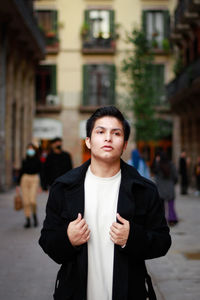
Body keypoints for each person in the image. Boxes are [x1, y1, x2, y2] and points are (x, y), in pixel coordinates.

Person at [39, 106, 171, 300]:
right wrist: (68, 238)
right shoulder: (64, 187)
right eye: (100, 132)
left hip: (128, 292)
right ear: (89, 142)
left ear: (124, 144)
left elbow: (162, 242)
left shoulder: (144, 190)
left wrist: (132, 238)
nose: (108, 138)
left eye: (116, 133)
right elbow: (47, 241)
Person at [17, 143, 41, 228]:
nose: (30, 150)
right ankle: (28, 219)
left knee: (32, 201)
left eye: (31, 149)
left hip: (34, 179)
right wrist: (17, 184)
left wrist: (41, 186)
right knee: (26, 202)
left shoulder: (37, 160)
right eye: (29, 149)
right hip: (25, 179)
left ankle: (34, 215)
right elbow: (21, 172)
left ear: (34, 150)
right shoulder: (25, 160)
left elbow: (41, 172)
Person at [154, 152, 178, 226]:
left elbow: (156, 177)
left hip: (161, 189)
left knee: (161, 207)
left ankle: (162, 221)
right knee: (171, 205)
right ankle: (172, 220)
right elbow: (176, 177)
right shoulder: (172, 165)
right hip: (170, 188)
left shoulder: (158, 165)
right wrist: (173, 183)